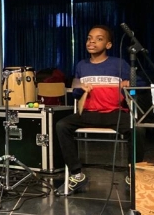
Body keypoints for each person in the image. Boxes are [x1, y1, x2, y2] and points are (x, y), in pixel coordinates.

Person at [55, 25, 144, 196]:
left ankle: (133, 174)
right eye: (89, 38)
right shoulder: (82, 65)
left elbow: (139, 84)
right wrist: (81, 88)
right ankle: (76, 174)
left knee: (138, 129)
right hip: (88, 114)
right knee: (62, 125)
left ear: (108, 45)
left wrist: (129, 84)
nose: (92, 42)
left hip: (115, 114)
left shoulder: (119, 64)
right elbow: (75, 91)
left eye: (99, 39)